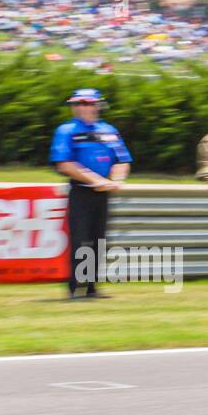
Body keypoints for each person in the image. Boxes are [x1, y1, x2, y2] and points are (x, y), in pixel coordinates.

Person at [49, 88, 131, 299]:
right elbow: (64, 164)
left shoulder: (109, 130)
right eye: (77, 104)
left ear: (97, 105)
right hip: (81, 193)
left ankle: (93, 287)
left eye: (87, 103)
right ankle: (76, 287)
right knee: (79, 239)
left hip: (103, 194)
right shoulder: (66, 130)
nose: (82, 108)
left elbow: (122, 159)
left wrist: (116, 180)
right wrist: (95, 180)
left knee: (98, 240)